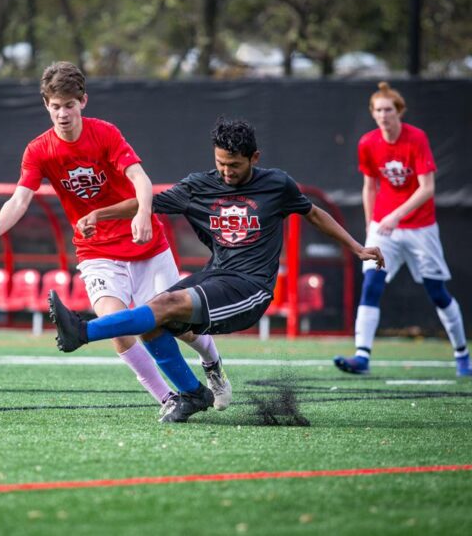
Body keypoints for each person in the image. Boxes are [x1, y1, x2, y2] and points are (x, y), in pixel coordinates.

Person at [49, 117, 384, 423]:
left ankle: (83, 332)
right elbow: (145, 201)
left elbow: (313, 214)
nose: (226, 171)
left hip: (250, 289)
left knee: (160, 308)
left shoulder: (277, 185)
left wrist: (357, 247)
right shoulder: (199, 187)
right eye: (220, 163)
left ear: (254, 158)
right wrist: (98, 215)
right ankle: (192, 394)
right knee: (152, 321)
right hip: (216, 275)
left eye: (235, 165)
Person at [0, 61, 230, 410]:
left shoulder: (105, 133)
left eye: (69, 104)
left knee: (173, 324)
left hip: (147, 247)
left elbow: (141, 179)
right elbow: (21, 197)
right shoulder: (39, 150)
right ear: (46, 105)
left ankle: (213, 365)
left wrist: (143, 213)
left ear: (83, 101)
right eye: (55, 106)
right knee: (118, 327)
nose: (62, 113)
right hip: (96, 251)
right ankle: (169, 399)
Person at [334, 82, 469, 377]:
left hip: (421, 227)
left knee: (437, 291)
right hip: (385, 228)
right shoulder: (367, 143)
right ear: (373, 114)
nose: (383, 115)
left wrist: (396, 215)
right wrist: (373, 223)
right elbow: (369, 186)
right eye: (378, 110)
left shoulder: (416, 138)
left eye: (388, 110)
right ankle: (362, 357)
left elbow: (427, 189)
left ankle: (462, 355)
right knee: (371, 283)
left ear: (399, 112)